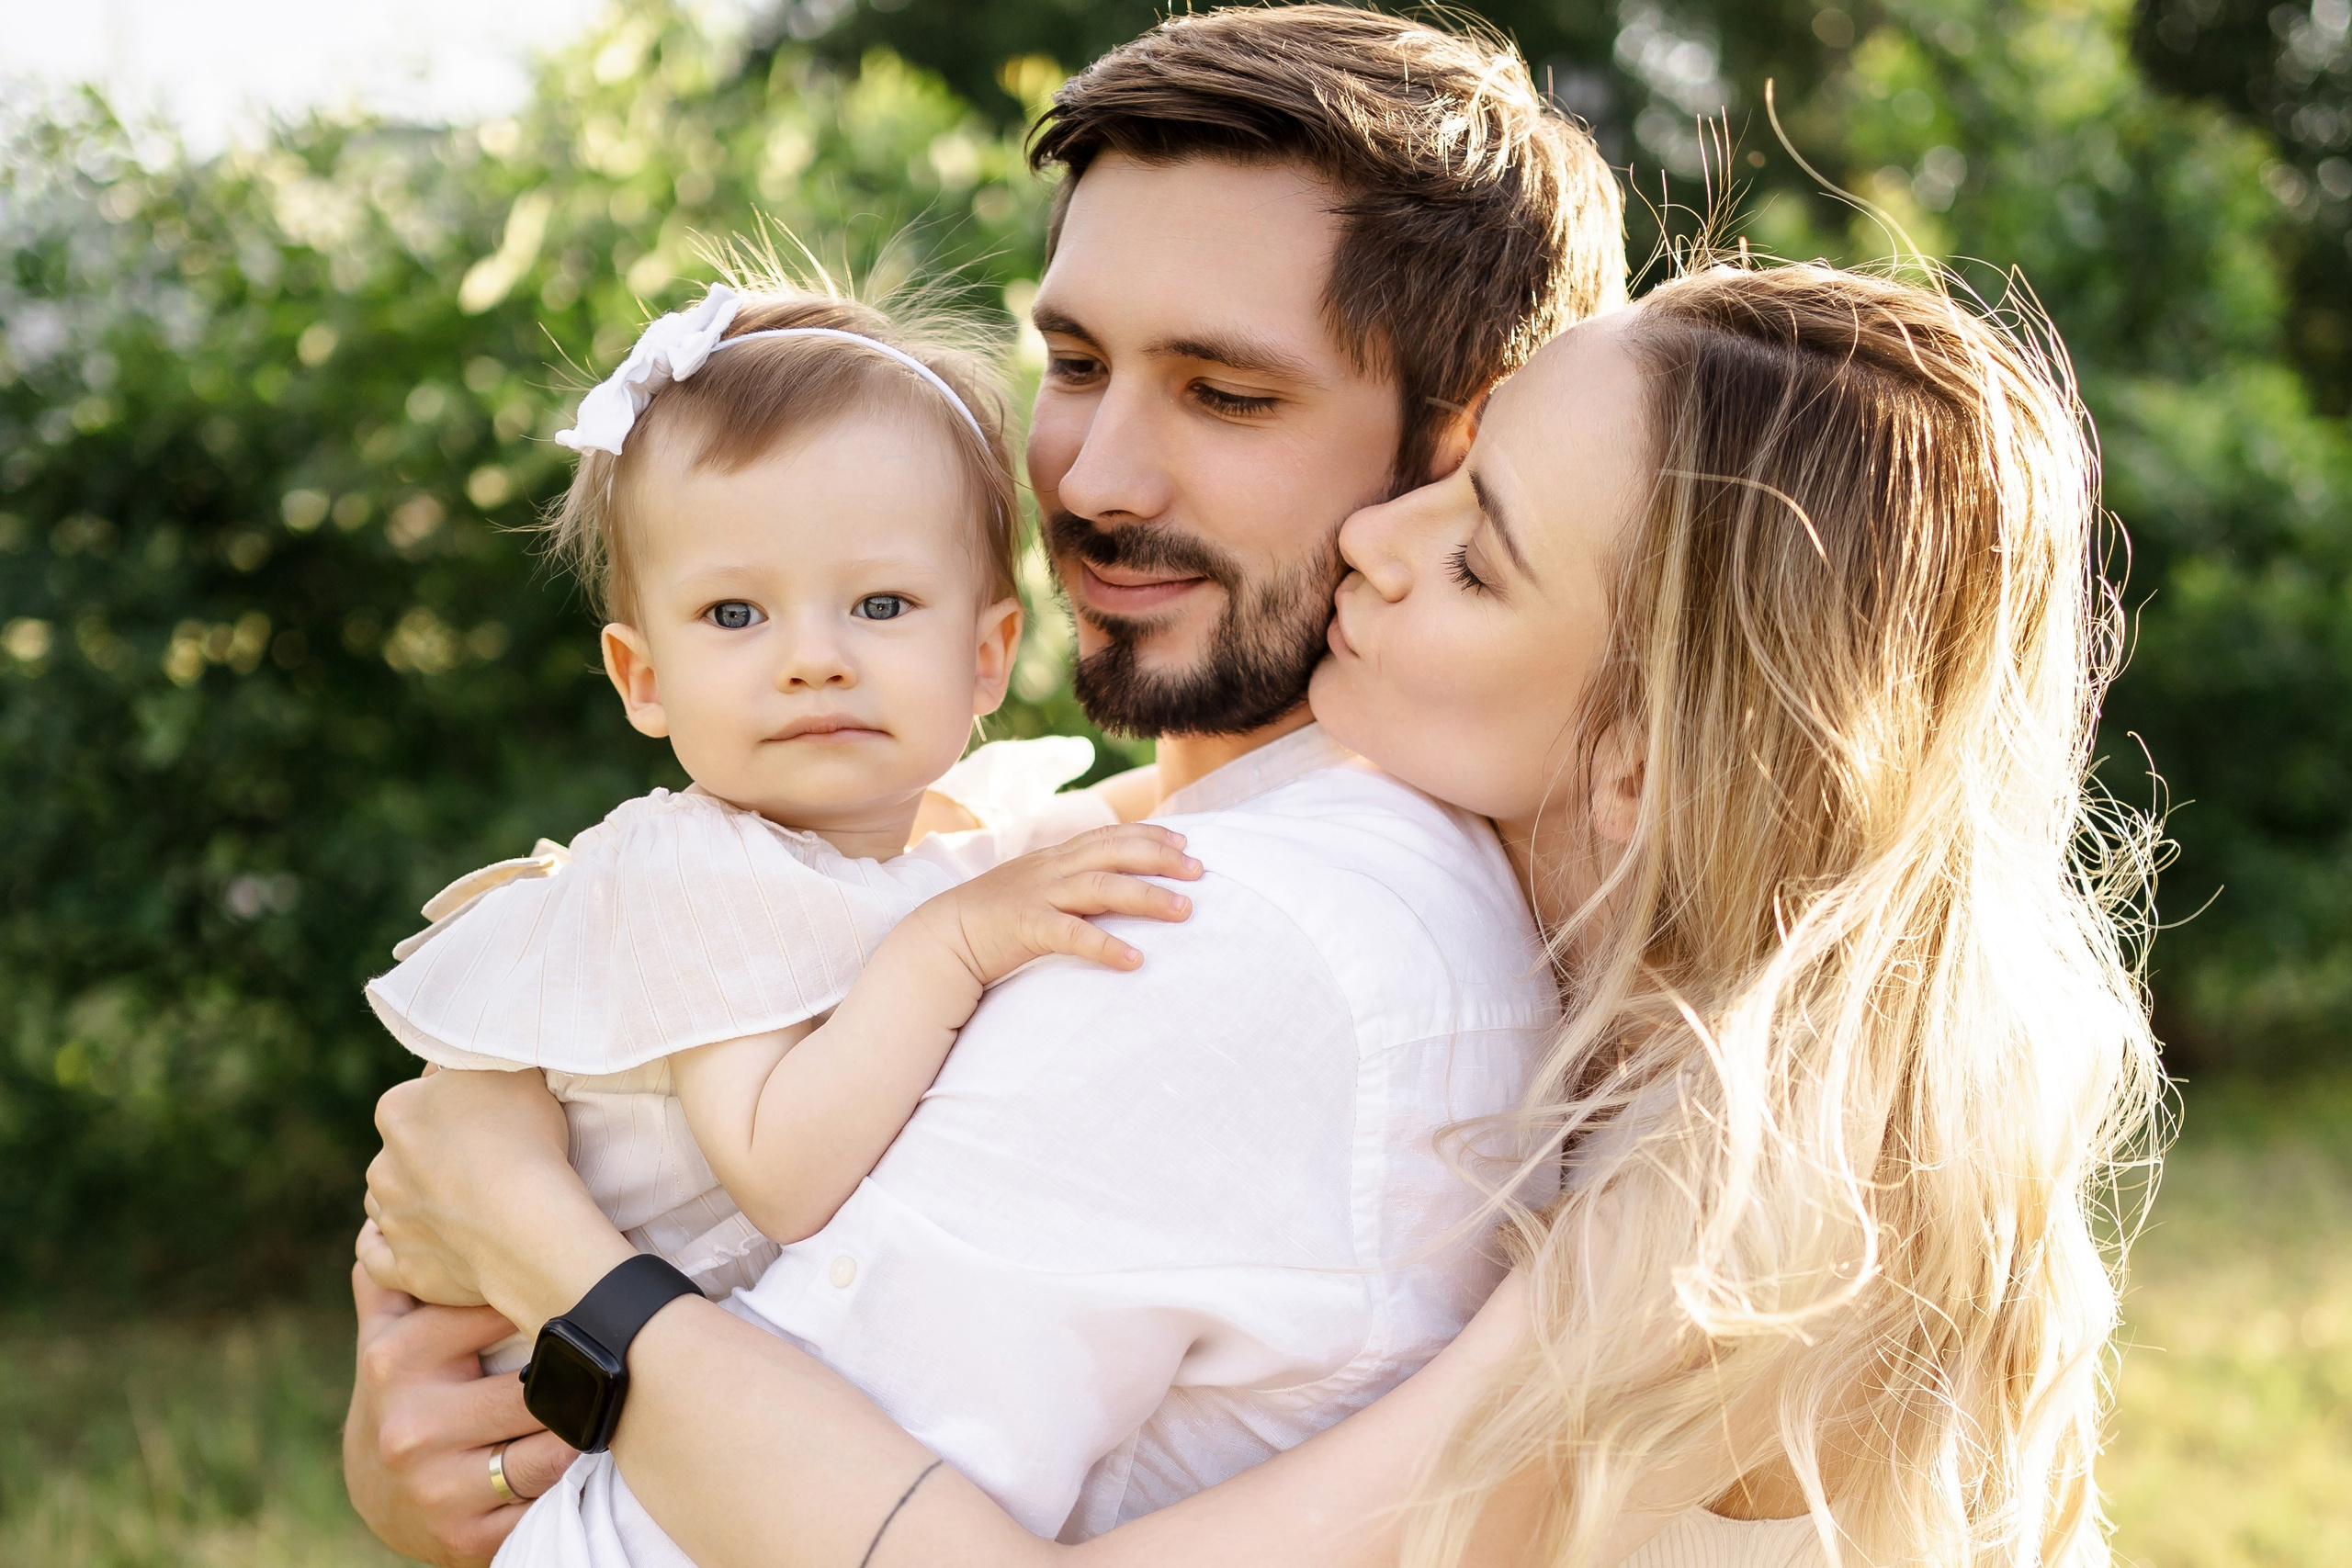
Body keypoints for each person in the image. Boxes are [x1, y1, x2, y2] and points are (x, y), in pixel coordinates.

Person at [365, 258, 2165, 1567]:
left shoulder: (1716, 1217)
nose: (1382, 540)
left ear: (1642, 754)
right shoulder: (1731, 1037)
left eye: (1473, 549)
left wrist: (551, 1250)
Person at [345, 6, 1627, 1562]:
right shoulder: (1126, 847)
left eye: (1226, 395)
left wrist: (535, 1265)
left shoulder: (1219, 934)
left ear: (1464, 443)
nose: (1090, 477)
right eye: (1077, 364)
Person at [360, 276, 1210, 1561]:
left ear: (986, 658)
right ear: (644, 678)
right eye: (734, 614)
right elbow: (782, 1169)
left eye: (878, 605)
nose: (811, 656)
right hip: (590, 1446)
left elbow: (1137, 814)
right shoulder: (694, 879)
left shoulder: (945, 836)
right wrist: (962, 942)